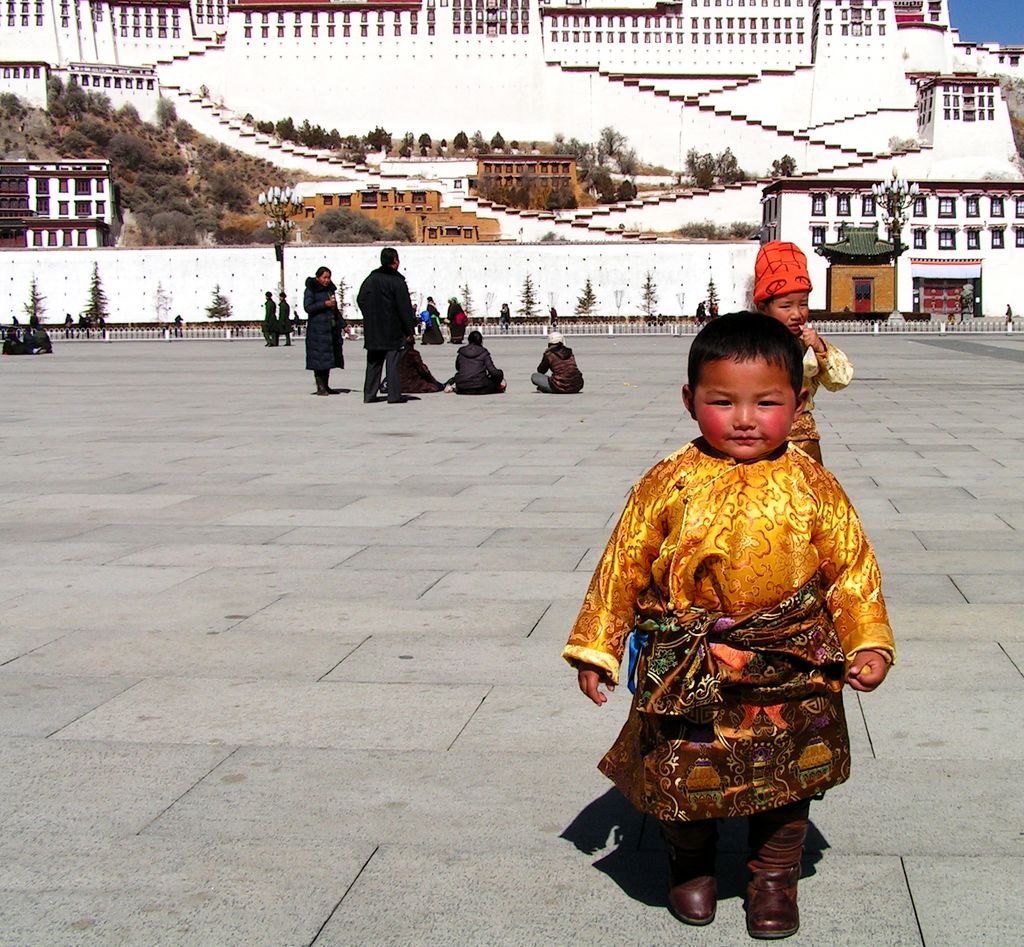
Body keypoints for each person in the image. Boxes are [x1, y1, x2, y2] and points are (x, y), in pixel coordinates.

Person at [562, 312, 894, 940]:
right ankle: (690, 862)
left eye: (766, 402)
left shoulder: (814, 484)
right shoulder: (666, 481)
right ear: (691, 401)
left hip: (790, 660)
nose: (745, 418)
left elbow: (852, 567)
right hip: (688, 659)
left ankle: (774, 875)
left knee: (790, 780)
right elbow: (621, 564)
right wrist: (597, 647)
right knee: (685, 769)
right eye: (723, 401)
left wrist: (867, 639)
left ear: (797, 401)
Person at [753, 241, 852, 465]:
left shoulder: (810, 344)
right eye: (786, 306)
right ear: (762, 307)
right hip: (758, 436)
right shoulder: (748, 344)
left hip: (801, 439)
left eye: (803, 305)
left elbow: (841, 379)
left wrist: (820, 349)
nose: (797, 314)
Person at [357, 247, 417, 404]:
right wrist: (409, 330)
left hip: (374, 329)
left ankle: (369, 394)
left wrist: (370, 316)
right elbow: (404, 307)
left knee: (373, 362)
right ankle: (394, 395)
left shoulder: (371, 279)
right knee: (393, 363)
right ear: (395, 261)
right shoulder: (397, 281)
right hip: (392, 329)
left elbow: (361, 299)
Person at [303, 266, 345, 396]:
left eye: (328, 277)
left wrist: (342, 324)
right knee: (319, 359)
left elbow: (335, 310)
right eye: (324, 277)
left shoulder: (329, 290)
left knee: (328, 359)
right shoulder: (311, 290)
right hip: (318, 330)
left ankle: (326, 385)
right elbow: (308, 307)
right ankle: (320, 386)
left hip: (329, 329)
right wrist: (324, 304)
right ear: (318, 277)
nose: (327, 280)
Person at [449, 329, 506, 395]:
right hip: (480, 386)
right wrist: (500, 374)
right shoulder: (483, 352)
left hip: (462, 387)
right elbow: (492, 371)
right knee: (496, 376)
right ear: (480, 341)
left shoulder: (462, 352)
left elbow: (458, 368)